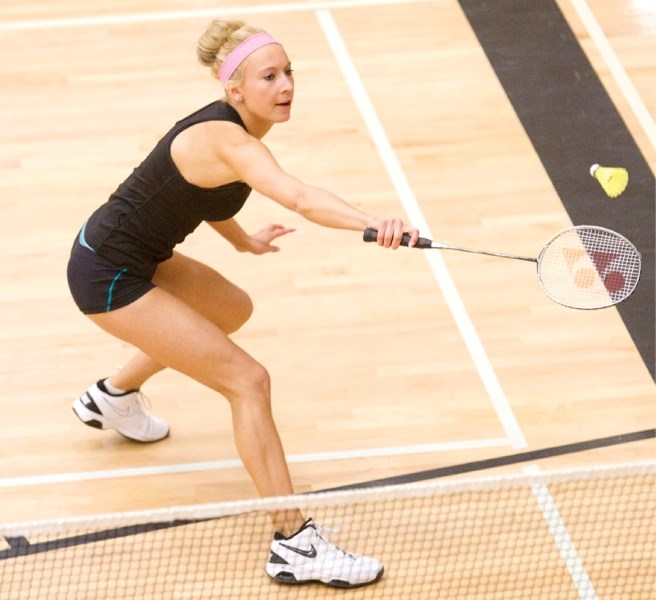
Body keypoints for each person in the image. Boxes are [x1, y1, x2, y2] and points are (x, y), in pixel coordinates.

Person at [67, 19, 418, 589]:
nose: (285, 86)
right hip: (107, 274)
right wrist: (374, 224)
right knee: (248, 381)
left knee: (231, 309)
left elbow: (197, 190)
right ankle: (294, 543)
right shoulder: (229, 139)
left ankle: (112, 396)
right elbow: (301, 197)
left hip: (134, 253)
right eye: (269, 77)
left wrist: (241, 239)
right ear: (234, 90)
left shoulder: (233, 136)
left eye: (288, 73)